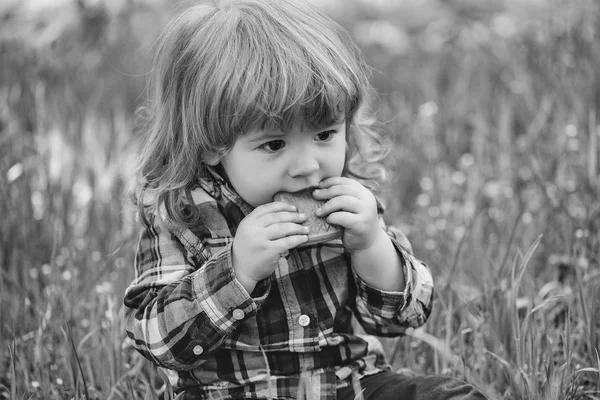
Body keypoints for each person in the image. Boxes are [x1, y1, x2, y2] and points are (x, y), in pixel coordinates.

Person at [123, 1, 488, 399]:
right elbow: (157, 341)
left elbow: (402, 318)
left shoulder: (344, 201)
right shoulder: (180, 216)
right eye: (274, 144)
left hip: (348, 383)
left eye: (325, 134)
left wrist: (371, 244)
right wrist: (237, 271)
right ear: (212, 145)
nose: (308, 165)